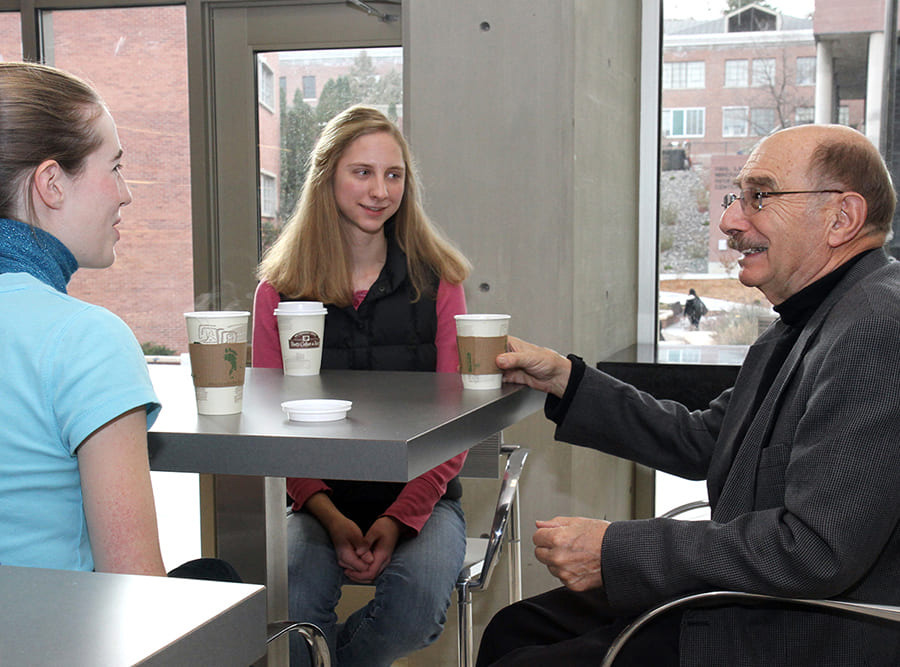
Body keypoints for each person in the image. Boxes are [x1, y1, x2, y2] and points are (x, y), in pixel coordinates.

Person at [477, 124, 900, 666]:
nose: (729, 221)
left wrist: (615, 550)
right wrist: (565, 378)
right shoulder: (807, 320)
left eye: (760, 197)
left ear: (841, 218)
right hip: (752, 599)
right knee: (515, 627)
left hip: (793, 632)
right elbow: (704, 440)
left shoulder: (876, 327)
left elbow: (814, 550)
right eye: (736, 198)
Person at [0, 61, 239, 584]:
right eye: (114, 167)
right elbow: (136, 592)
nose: (125, 192)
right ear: (51, 183)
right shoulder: (85, 340)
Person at [252, 105, 472, 667]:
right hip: (313, 503)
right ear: (327, 179)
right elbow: (269, 423)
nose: (380, 190)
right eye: (362, 172)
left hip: (423, 501)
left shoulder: (440, 283)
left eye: (393, 175)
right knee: (292, 609)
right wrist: (329, 514)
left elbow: (458, 422)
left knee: (416, 611)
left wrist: (397, 521)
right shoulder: (279, 291)